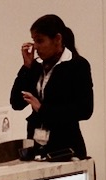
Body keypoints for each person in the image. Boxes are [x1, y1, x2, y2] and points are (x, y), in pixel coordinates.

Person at [10, 13, 94, 159]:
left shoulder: (77, 65)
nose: (35, 47)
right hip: (37, 146)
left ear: (57, 39)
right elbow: (16, 103)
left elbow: (84, 110)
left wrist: (42, 109)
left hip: (65, 147)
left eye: (40, 41)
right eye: (34, 41)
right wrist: (27, 68)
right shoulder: (36, 66)